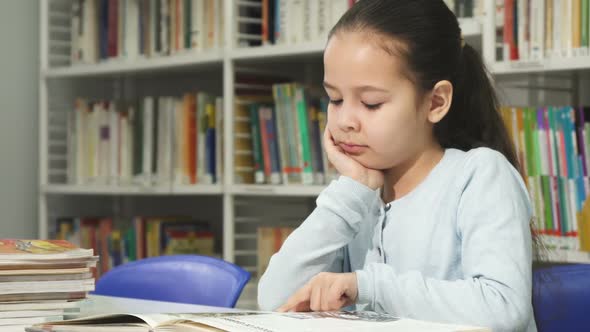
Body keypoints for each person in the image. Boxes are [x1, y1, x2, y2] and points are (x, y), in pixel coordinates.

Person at [257, 0, 536, 331]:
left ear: (436, 102)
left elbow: (502, 307)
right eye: (334, 99)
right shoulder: (359, 193)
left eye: (371, 103)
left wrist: (369, 286)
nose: (345, 120)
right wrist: (350, 191)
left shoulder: (479, 175)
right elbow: (274, 298)